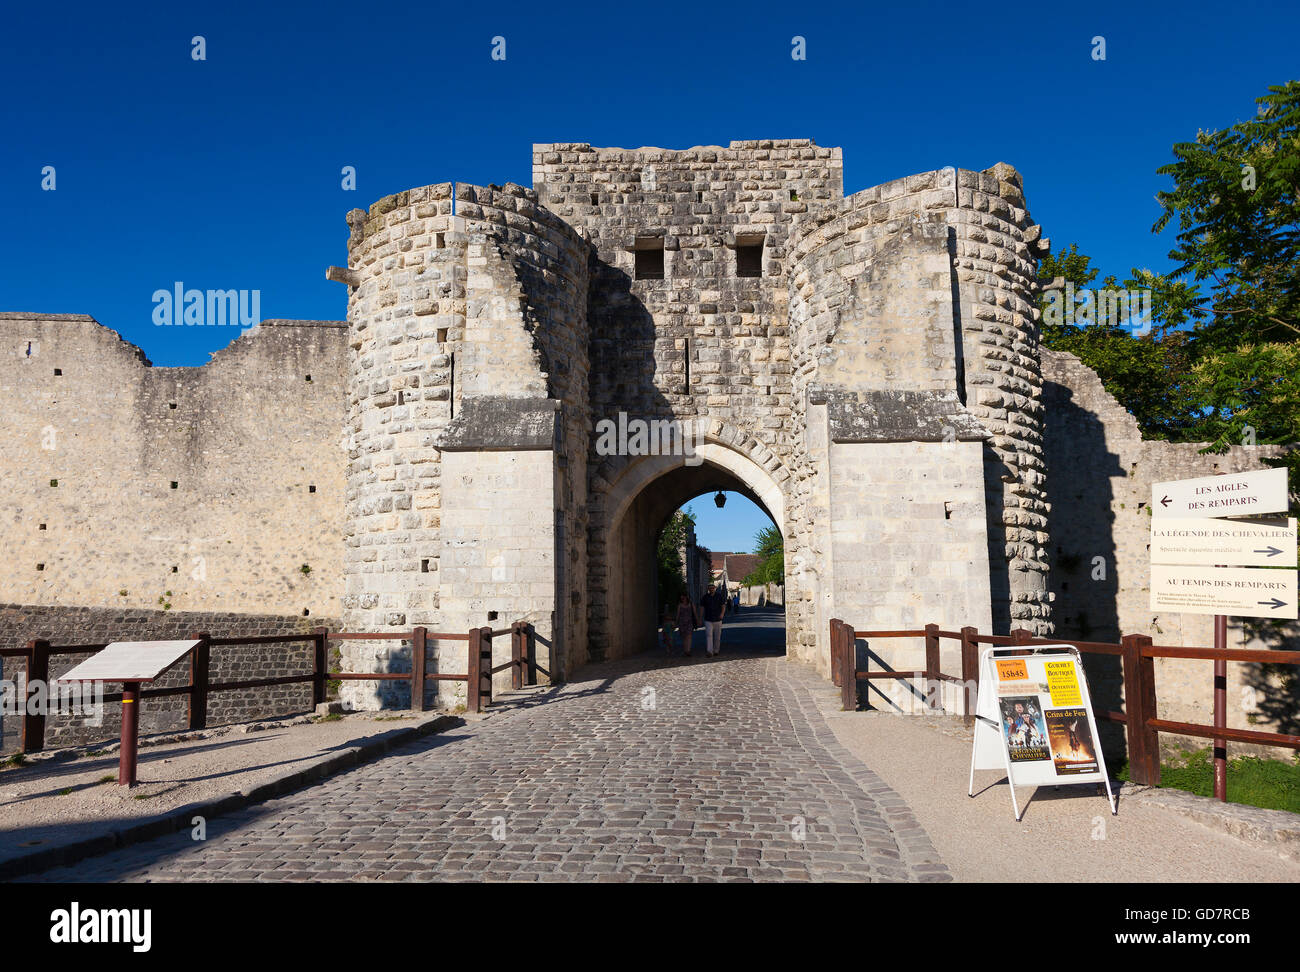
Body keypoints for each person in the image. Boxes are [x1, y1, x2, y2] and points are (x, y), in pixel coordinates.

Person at [700, 582, 728, 657]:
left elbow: (723, 606)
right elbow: (702, 608)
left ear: (714, 588)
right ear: (708, 589)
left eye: (712, 587)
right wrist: (700, 617)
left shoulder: (719, 596)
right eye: (710, 588)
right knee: (709, 635)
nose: (711, 589)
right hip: (708, 619)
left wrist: (722, 614)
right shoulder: (705, 597)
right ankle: (709, 651)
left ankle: (716, 650)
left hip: (718, 619)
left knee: (717, 636)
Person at [675, 592, 699, 657]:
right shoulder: (679, 605)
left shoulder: (691, 604)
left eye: (683, 596)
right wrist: (676, 623)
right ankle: (685, 650)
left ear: (686, 597)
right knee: (684, 637)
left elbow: (695, 613)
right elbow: (678, 615)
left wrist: (697, 620)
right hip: (681, 623)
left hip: (689, 622)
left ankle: (688, 650)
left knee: (689, 636)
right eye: (681, 597)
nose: (683, 598)